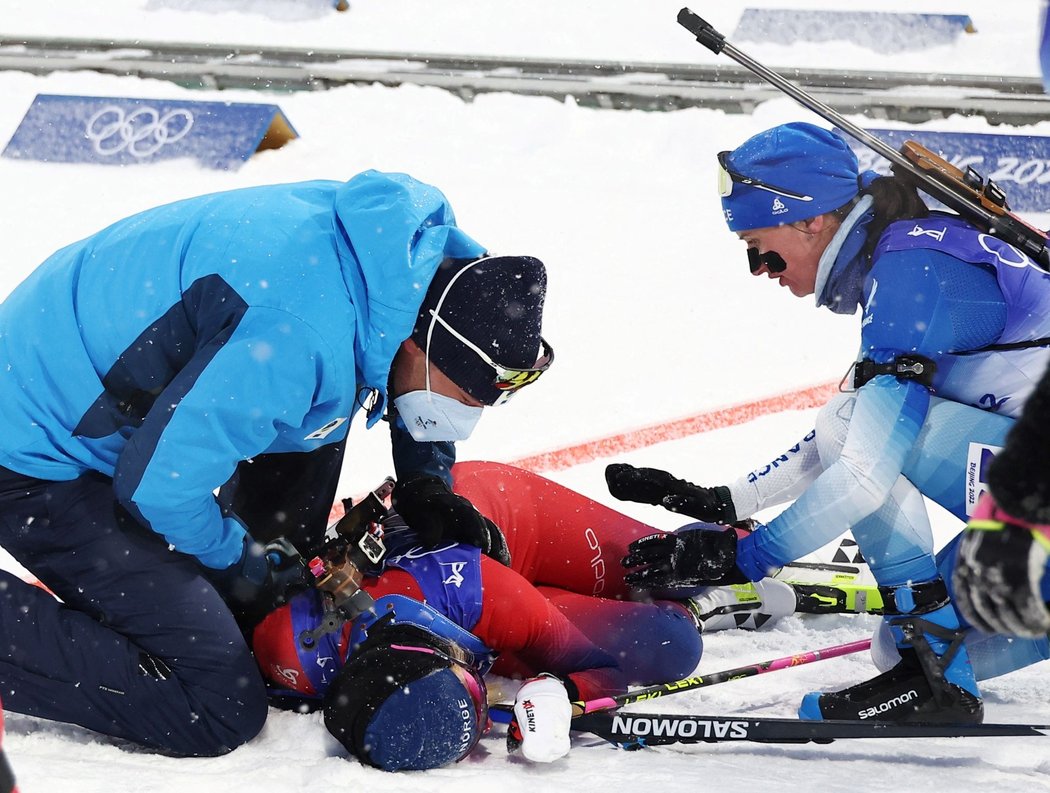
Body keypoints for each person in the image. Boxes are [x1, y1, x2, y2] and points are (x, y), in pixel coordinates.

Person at [0, 171, 552, 756]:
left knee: (263, 604)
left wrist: (424, 481)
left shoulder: (430, 268)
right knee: (218, 701)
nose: (463, 416)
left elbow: (406, 360)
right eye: (463, 399)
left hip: (116, 382)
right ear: (417, 347)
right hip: (35, 452)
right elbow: (157, 489)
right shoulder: (296, 337)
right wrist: (236, 556)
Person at [607, 122, 1050, 724]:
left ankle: (935, 674)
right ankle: (935, 666)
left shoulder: (910, 274)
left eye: (758, 245)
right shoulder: (913, 253)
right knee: (895, 643)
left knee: (859, 430)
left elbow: (863, 464)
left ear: (811, 221)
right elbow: (852, 433)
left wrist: (747, 559)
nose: (759, 268)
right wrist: (722, 501)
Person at [251, 460, 717, 770]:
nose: (484, 694)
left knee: (679, 575)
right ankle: (571, 603)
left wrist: (568, 687)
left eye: (471, 686)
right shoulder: (305, 662)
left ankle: (735, 542)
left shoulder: (486, 596)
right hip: (490, 610)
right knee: (666, 645)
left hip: (503, 527)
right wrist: (562, 694)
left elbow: (604, 670)